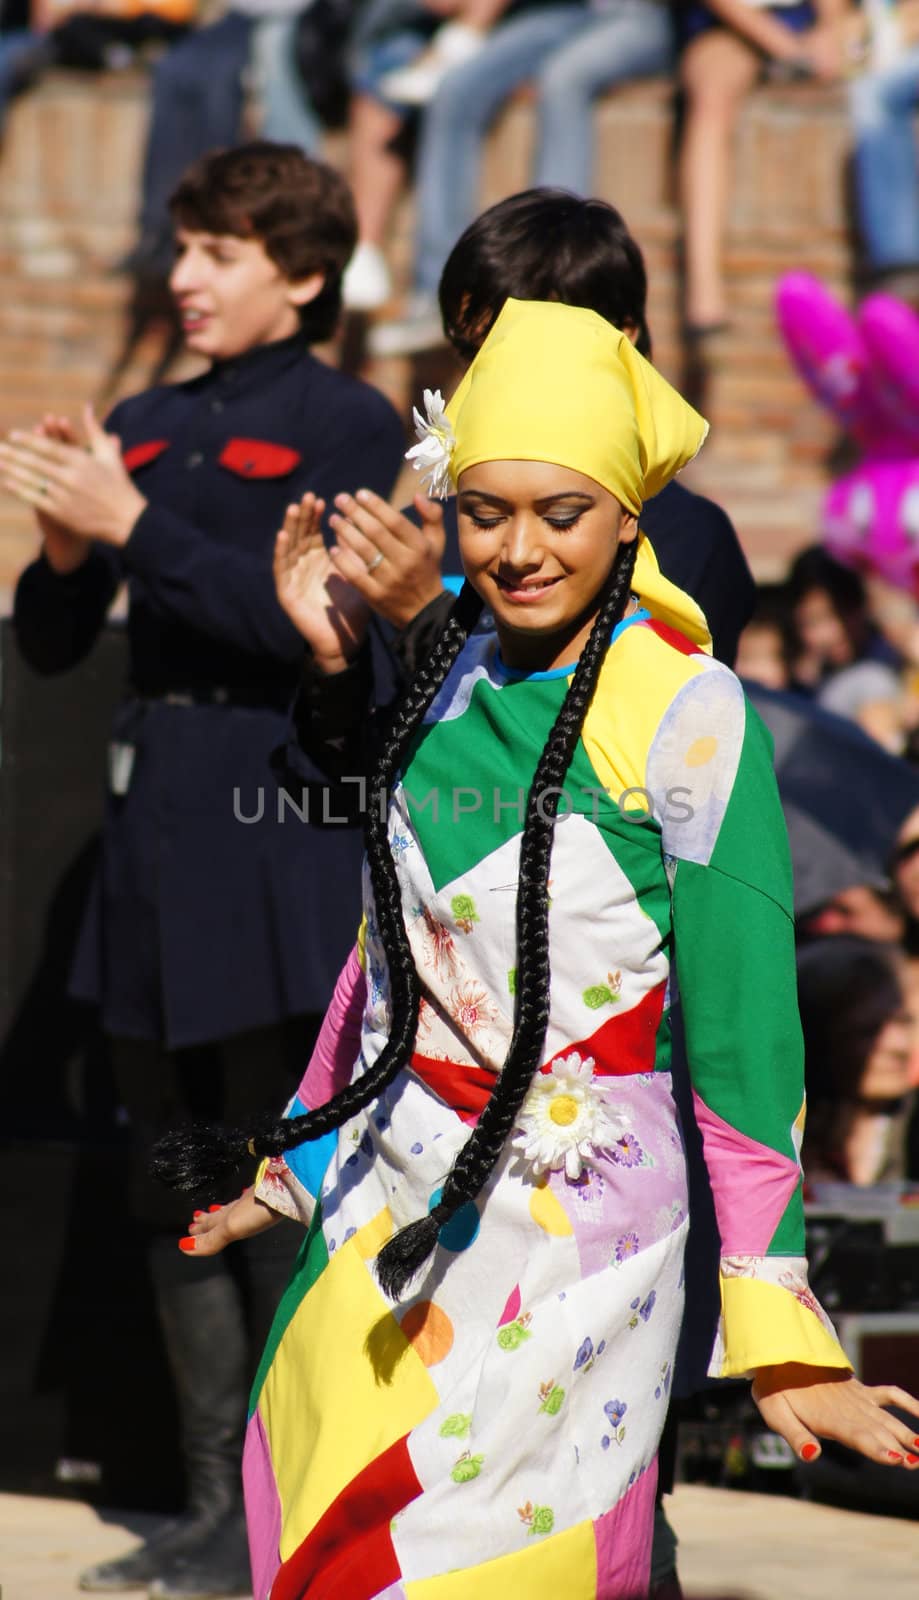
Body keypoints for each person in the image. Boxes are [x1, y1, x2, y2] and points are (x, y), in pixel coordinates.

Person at [156, 297, 919, 1599]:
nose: (514, 550)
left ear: (627, 514)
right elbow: (385, 954)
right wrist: (292, 1162)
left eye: (557, 514)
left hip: (578, 1236)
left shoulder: (685, 712)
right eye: (484, 510)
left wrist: (781, 1333)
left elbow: (743, 1035)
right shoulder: (444, 663)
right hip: (384, 1203)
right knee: (323, 1536)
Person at [2, 141, 404, 1599]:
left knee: (269, 1176)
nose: (184, 276)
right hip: (150, 830)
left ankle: (280, 1498)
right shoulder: (150, 420)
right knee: (167, 1172)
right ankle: (203, 1497)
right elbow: (55, 647)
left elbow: (322, 629)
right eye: (182, 247)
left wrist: (137, 530)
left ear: (302, 275)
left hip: (274, 824)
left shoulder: (349, 424)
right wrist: (61, 550)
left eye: (220, 252)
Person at [303, 189, 757, 680]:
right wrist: (336, 662)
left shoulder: (688, 536)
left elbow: (624, 729)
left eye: (563, 518)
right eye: (474, 359)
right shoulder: (427, 537)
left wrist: (425, 619)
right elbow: (369, 750)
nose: (518, 552)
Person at [366, 0, 677, 354]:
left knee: (563, 78)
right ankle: (434, 294)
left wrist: (469, 28)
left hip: (633, 15)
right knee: (453, 87)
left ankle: (558, 274)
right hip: (551, 14)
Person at [677, 0, 845, 350]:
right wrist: (788, 48)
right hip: (727, 27)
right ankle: (704, 290)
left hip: (806, 23)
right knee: (711, 97)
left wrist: (831, 28)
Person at [797, 935, 918, 1186]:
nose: (899, 1046)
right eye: (868, 1031)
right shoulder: (781, 1138)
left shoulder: (912, 1131)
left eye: (904, 1022)